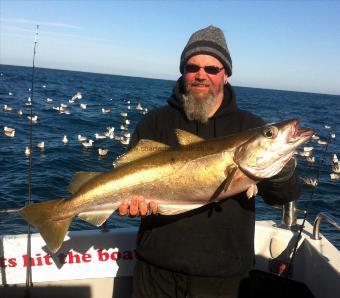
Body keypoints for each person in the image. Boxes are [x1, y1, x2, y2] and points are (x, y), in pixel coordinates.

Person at [118, 25, 299, 298]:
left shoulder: (250, 126)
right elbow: (127, 178)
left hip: (223, 275)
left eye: (212, 69)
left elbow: (283, 194)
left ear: (225, 75)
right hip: (156, 268)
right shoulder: (154, 122)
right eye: (192, 67)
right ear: (183, 72)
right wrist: (133, 206)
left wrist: (281, 161)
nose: (201, 75)